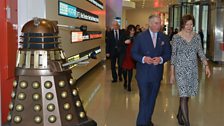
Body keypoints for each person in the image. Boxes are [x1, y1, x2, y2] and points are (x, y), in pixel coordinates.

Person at [170, 14, 211, 126]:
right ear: (182, 24)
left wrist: (206, 65)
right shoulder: (176, 37)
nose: (189, 26)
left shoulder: (197, 37)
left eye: (191, 24)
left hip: (193, 69)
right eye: (187, 24)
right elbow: (173, 56)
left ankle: (180, 114)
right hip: (180, 70)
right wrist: (172, 73)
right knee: (183, 96)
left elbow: (201, 52)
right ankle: (187, 123)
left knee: (186, 95)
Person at [132, 15, 171, 126]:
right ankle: (141, 123)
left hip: (156, 74)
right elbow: (134, 53)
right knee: (144, 98)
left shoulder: (164, 37)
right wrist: (144, 59)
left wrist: (161, 59)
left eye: (160, 23)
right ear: (150, 23)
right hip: (143, 74)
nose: (159, 25)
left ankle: (147, 120)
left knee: (152, 99)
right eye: (156, 23)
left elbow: (168, 54)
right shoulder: (140, 37)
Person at [122, 24, 136, 91]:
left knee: (130, 70)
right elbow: (120, 44)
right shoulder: (124, 37)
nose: (132, 32)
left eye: (133, 30)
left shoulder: (135, 38)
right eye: (131, 30)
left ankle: (129, 84)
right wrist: (124, 42)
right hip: (125, 56)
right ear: (129, 31)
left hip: (131, 57)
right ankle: (125, 81)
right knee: (124, 70)